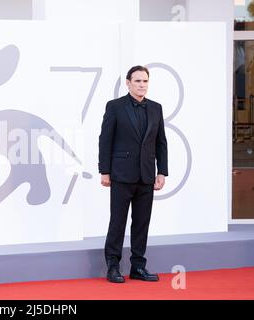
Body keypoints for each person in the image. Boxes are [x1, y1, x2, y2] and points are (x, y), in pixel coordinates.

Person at [98, 65, 168, 283]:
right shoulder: (115, 106)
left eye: (145, 81)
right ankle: (113, 266)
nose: (142, 85)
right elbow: (105, 140)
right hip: (121, 174)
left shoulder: (156, 108)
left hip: (146, 175)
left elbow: (160, 142)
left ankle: (138, 267)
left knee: (141, 222)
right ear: (128, 83)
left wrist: (162, 171)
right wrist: (105, 171)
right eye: (137, 81)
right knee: (117, 222)